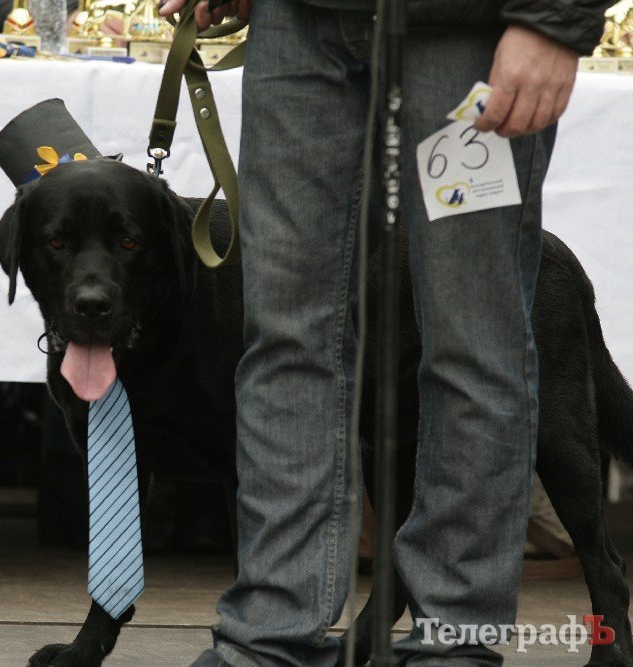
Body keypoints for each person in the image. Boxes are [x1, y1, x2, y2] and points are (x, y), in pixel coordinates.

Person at [156, 0, 611, 664]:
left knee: (471, 346)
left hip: (468, 29)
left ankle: (452, 642)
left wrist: (555, 18)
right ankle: (268, 638)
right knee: (285, 342)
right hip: (297, 22)